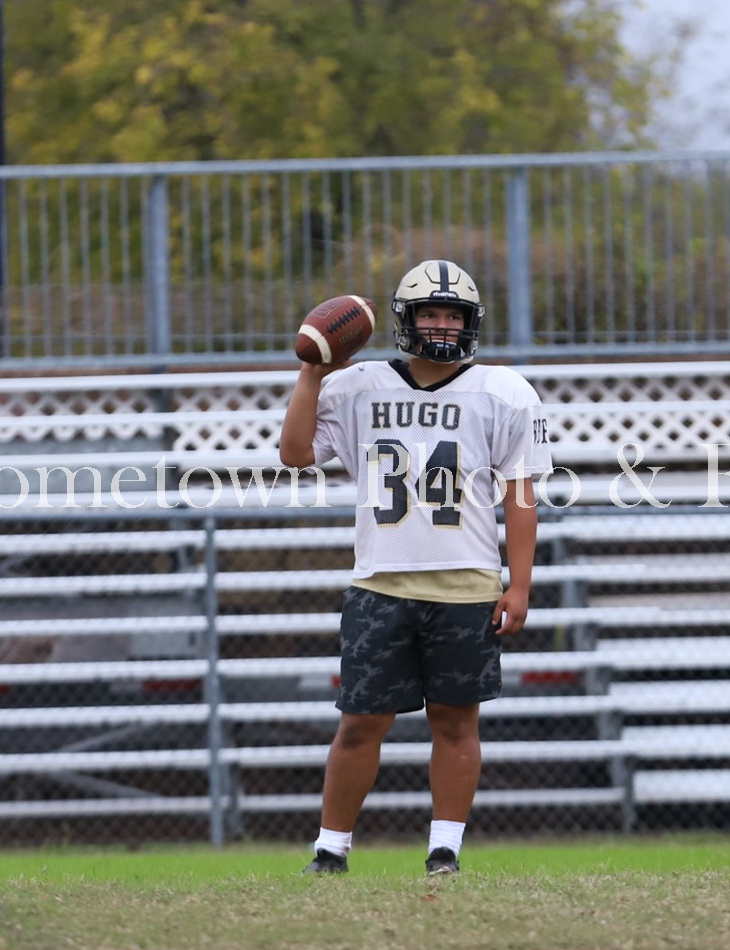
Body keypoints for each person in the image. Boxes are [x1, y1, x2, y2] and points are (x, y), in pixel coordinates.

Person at [278, 259, 553, 876]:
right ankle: (330, 850)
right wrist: (312, 373)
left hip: (466, 584)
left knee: (455, 724)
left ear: (471, 322)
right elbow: (295, 454)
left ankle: (444, 850)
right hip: (381, 583)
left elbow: (521, 495)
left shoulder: (504, 391)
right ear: (406, 319)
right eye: (431, 313)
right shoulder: (359, 384)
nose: (443, 325)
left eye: (454, 315)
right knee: (359, 724)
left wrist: (520, 584)